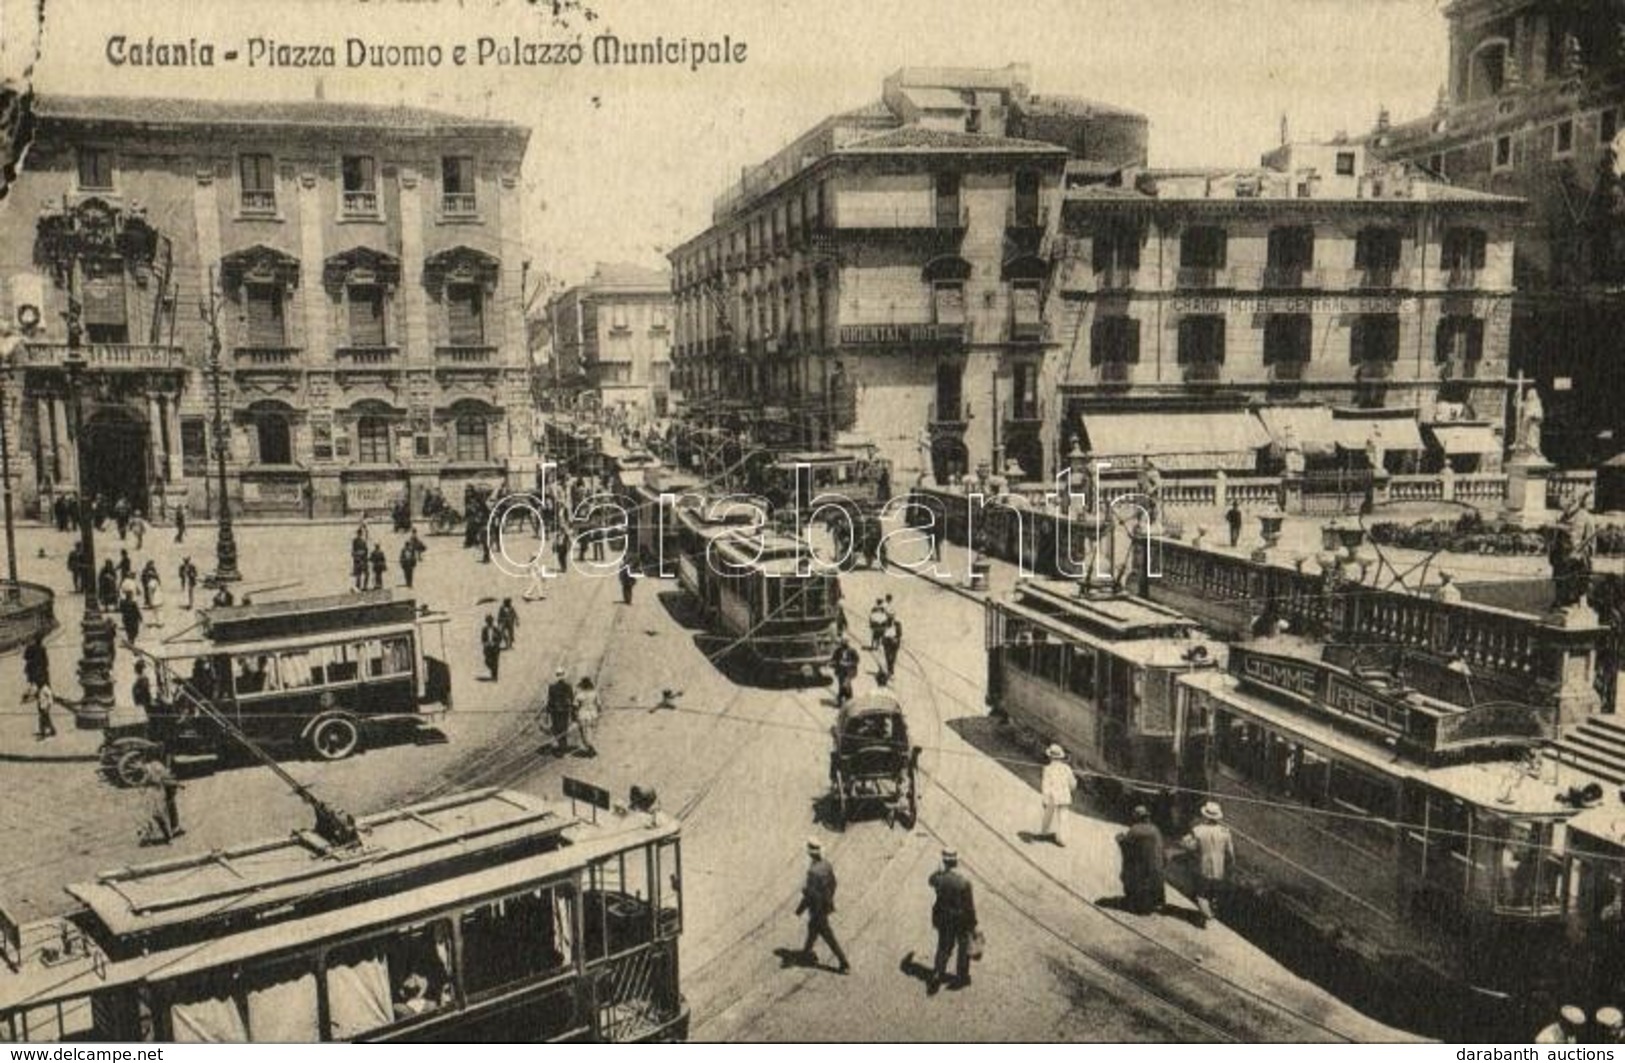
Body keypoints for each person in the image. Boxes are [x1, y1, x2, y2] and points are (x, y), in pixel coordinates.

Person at [795, 838, 850, 974]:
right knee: (812, 930)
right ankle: (805, 954)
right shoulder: (827, 865)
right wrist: (829, 899)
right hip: (825, 906)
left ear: (810, 854)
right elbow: (834, 883)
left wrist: (799, 909)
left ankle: (844, 963)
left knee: (828, 937)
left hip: (817, 910)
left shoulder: (812, 872)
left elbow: (811, 895)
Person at [927, 848, 977, 993]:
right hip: (961, 919)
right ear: (956, 862)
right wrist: (973, 924)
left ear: (944, 861)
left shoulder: (939, 879)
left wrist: (938, 870)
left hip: (944, 918)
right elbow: (970, 906)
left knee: (944, 946)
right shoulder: (964, 882)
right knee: (963, 947)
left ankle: (938, 972)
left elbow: (930, 880)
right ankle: (961, 977)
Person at [1181, 801, 1236, 927]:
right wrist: (1230, 867)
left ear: (1205, 816)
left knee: (1201, 893)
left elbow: (1191, 847)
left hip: (1202, 867)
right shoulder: (1225, 832)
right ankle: (1208, 913)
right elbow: (1230, 853)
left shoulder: (1198, 830)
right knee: (1212, 892)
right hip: (1219, 869)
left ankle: (1206, 916)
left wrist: (1185, 842)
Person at [1117, 805, 1167, 915]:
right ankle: (1156, 901)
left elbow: (1127, 851)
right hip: (1157, 871)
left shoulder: (1134, 830)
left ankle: (1133, 899)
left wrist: (1120, 841)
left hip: (1142, 873)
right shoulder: (1155, 829)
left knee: (1129, 868)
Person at [1035, 744, 1076, 846]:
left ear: (1050, 757)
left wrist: (1045, 799)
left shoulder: (1047, 769)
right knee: (1063, 817)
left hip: (1053, 796)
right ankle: (1063, 839)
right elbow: (1072, 783)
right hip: (1064, 795)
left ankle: (1044, 830)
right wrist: (1071, 788)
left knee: (1048, 813)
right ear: (1060, 757)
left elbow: (1045, 785)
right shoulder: (1067, 768)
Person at [140, 757, 183, 844]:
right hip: (155, 793)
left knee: (158, 814)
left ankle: (164, 836)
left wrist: (176, 784)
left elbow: (163, 779)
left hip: (158, 793)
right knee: (157, 813)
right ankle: (163, 834)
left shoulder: (155, 767)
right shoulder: (153, 768)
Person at [545, 667, 575, 754]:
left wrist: (548, 711)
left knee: (557, 727)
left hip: (555, 711)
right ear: (564, 675)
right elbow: (572, 698)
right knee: (564, 726)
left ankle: (561, 745)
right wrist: (573, 711)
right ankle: (563, 745)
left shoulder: (552, 687)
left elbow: (550, 700)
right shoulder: (568, 686)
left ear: (556, 676)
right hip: (565, 710)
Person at [574, 675, 600, 756]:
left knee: (583, 732)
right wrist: (598, 711)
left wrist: (575, 714)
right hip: (593, 714)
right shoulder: (594, 693)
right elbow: (599, 704)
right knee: (591, 731)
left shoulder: (580, 694)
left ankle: (589, 746)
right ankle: (590, 745)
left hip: (582, 714)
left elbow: (575, 705)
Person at [829, 638, 860, 707]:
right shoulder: (838, 651)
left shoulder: (852, 651)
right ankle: (842, 701)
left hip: (849, 671)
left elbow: (857, 660)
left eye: (844, 645)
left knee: (846, 685)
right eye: (842, 645)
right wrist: (833, 663)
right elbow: (833, 659)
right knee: (841, 685)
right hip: (841, 671)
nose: (843, 647)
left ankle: (847, 700)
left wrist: (848, 663)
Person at [22, 633, 49, 706]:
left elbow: (25, 657)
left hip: (30, 669)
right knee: (41, 682)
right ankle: (42, 695)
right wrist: (45, 667)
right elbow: (46, 660)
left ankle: (27, 695)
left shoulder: (29, 647)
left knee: (31, 682)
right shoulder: (42, 648)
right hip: (39, 669)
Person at [879, 610, 903, 679]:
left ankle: (891, 671)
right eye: (889, 616)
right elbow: (882, 633)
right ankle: (890, 671)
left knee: (893, 658)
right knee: (888, 657)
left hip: (895, 644)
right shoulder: (884, 623)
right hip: (887, 643)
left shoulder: (898, 624)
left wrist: (895, 638)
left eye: (892, 616)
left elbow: (900, 633)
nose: (890, 618)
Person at [481, 615, 502, 682]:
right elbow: (482, 639)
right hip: (488, 648)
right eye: (488, 621)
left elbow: (500, 638)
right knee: (487, 661)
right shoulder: (484, 629)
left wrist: (495, 643)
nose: (489, 622)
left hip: (495, 648)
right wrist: (485, 643)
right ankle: (492, 670)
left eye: (490, 621)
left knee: (495, 662)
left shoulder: (496, 629)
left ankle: (495, 676)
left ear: (492, 621)